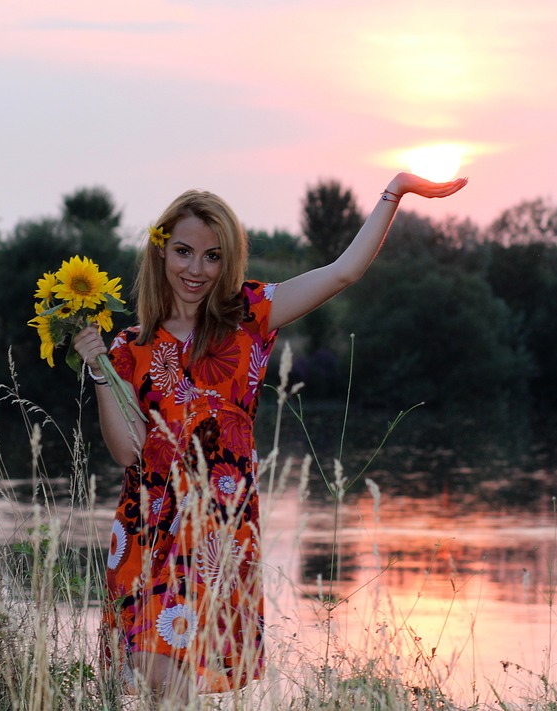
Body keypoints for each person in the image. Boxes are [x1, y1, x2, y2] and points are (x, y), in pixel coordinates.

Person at [72, 172, 467, 702]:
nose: (196, 268)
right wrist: (100, 369)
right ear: (161, 252)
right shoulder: (128, 347)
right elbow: (127, 451)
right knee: (148, 672)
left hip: (220, 530)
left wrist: (395, 190)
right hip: (149, 528)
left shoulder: (248, 317)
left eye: (212, 256)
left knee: (176, 683)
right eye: (184, 252)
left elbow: (344, 272)